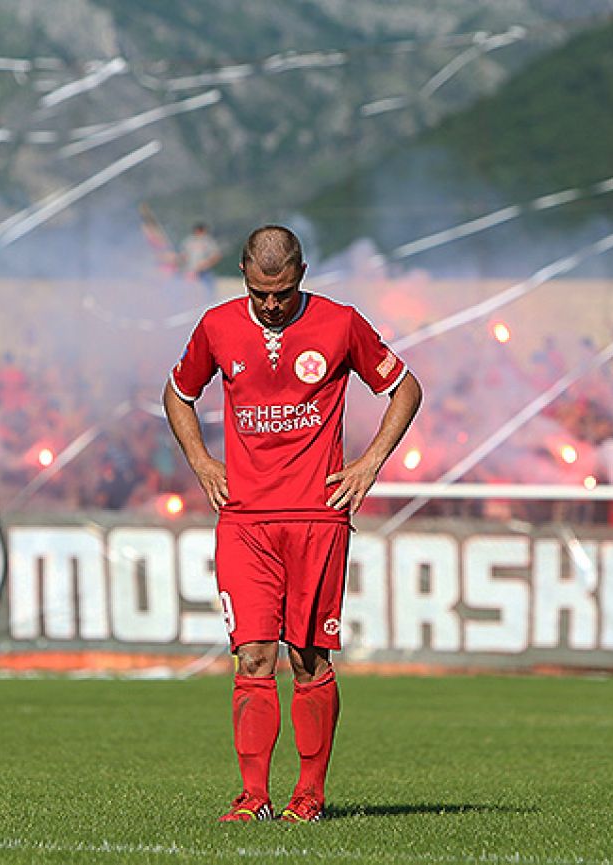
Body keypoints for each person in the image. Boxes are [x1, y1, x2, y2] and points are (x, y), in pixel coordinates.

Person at [162, 225, 422, 823]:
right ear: (244, 277)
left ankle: (308, 797)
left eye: (281, 293)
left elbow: (404, 388)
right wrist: (202, 461)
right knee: (253, 657)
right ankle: (253, 797)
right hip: (245, 521)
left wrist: (369, 463)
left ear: (301, 274)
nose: (271, 305)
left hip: (317, 517)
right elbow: (177, 393)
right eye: (259, 293)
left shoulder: (340, 323)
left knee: (308, 660)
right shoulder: (217, 326)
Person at [178, 222, 222, 299]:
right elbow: (183, 255)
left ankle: (209, 301)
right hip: (191, 270)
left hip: (204, 271)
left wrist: (207, 264)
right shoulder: (189, 241)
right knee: (188, 290)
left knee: (209, 289)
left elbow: (216, 255)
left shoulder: (208, 241)